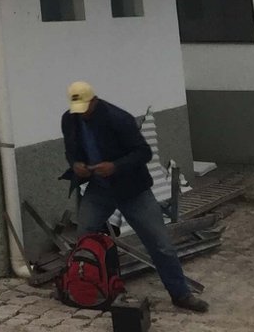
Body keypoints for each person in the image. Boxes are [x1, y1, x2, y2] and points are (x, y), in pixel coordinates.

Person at [60, 81, 208, 313]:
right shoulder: (69, 119)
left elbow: (143, 152)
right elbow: (71, 150)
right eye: (77, 109)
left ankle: (181, 294)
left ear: (94, 100)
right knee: (85, 238)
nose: (82, 114)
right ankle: (89, 287)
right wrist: (76, 164)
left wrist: (115, 166)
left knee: (160, 244)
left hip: (133, 190)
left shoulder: (119, 119)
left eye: (85, 108)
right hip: (99, 189)